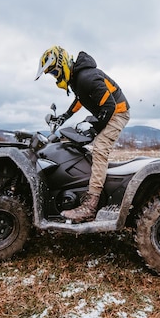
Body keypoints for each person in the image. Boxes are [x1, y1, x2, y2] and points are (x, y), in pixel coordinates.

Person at [35, 46, 130, 223]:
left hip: (118, 112)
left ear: (61, 65)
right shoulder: (78, 79)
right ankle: (81, 180)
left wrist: (94, 128)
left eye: (54, 72)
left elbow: (109, 106)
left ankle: (91, 204)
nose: (55, 77)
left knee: (100, 148)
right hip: (106, 110)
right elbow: (80, 99)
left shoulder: (87, 77)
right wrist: (65, 116)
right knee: (73, 138)